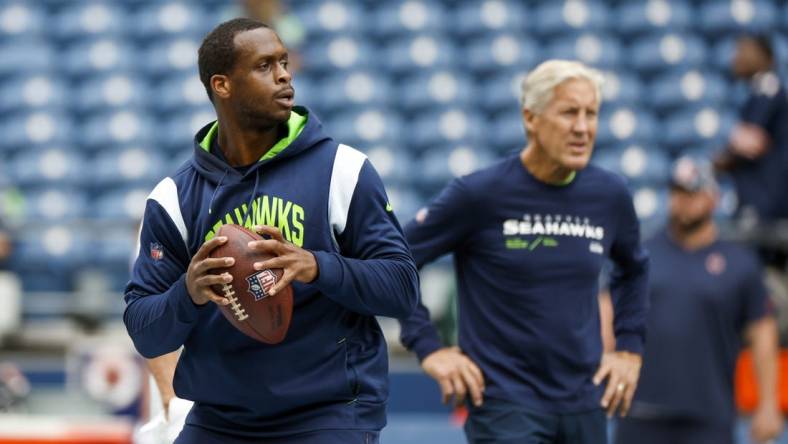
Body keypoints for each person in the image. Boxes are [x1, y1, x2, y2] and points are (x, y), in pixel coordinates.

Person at [123, 18, 419, 444]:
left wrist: (317, 266)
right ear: (221, 85)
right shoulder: (174, 197)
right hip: (220, 418)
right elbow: (145, 332)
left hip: (328, 413)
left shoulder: (343, 170)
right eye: (264, 66)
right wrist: (186, 293)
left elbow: (402, 289)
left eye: (284, 62)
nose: (284, 74)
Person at [398, 60, 650, 444]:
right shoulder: (479, 195)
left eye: (591, 113)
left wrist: (629, 347)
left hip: (585, 403)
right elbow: (395, 260)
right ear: (530, 118)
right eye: (569, 113)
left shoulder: (610, 195)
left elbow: (633, 270)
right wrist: (429, 347)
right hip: (504, 405)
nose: (583, 128)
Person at [614, 157, 783, 444]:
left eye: (692, 192)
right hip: (640, 412)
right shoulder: (642, 255)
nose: (683, 201)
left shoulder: (739, 263)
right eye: (677, 192)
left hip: (709, 415)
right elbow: (608, 316)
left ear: (713, 197)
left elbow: (762, 333)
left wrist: (768, 404)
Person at [714, 34, 788, 221]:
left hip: (765, 197)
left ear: (765, 57)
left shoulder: (767, 90)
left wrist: (719, 162)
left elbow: (750, 143)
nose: (736, 58)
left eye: (743, 51)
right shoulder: (755, 92)